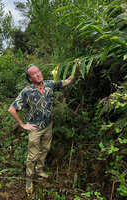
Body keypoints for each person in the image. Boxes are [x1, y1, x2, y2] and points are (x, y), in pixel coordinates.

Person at [8, 60, 81, 194]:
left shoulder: (49, 84)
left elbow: (68, 81)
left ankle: (39, 170)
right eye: (34, 73)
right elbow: (12, 109)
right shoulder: (26, 91)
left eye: (38, 71)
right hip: (35, 129)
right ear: (30, 78)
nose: (38, 74)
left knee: (45, 148)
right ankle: (29, 179)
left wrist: (76, 69)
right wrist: (23, 125)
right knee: (32, 156)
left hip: (48, 125)